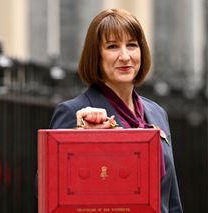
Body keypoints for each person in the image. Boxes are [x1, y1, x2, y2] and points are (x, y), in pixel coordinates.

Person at [49, 8, 183, 213]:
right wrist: (80, 139)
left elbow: (172, 200)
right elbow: (47, 192)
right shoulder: (73, 112)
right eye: (112, 46)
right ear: (96, 56)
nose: (125, 56)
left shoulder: (157, 113)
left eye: (131, 45)